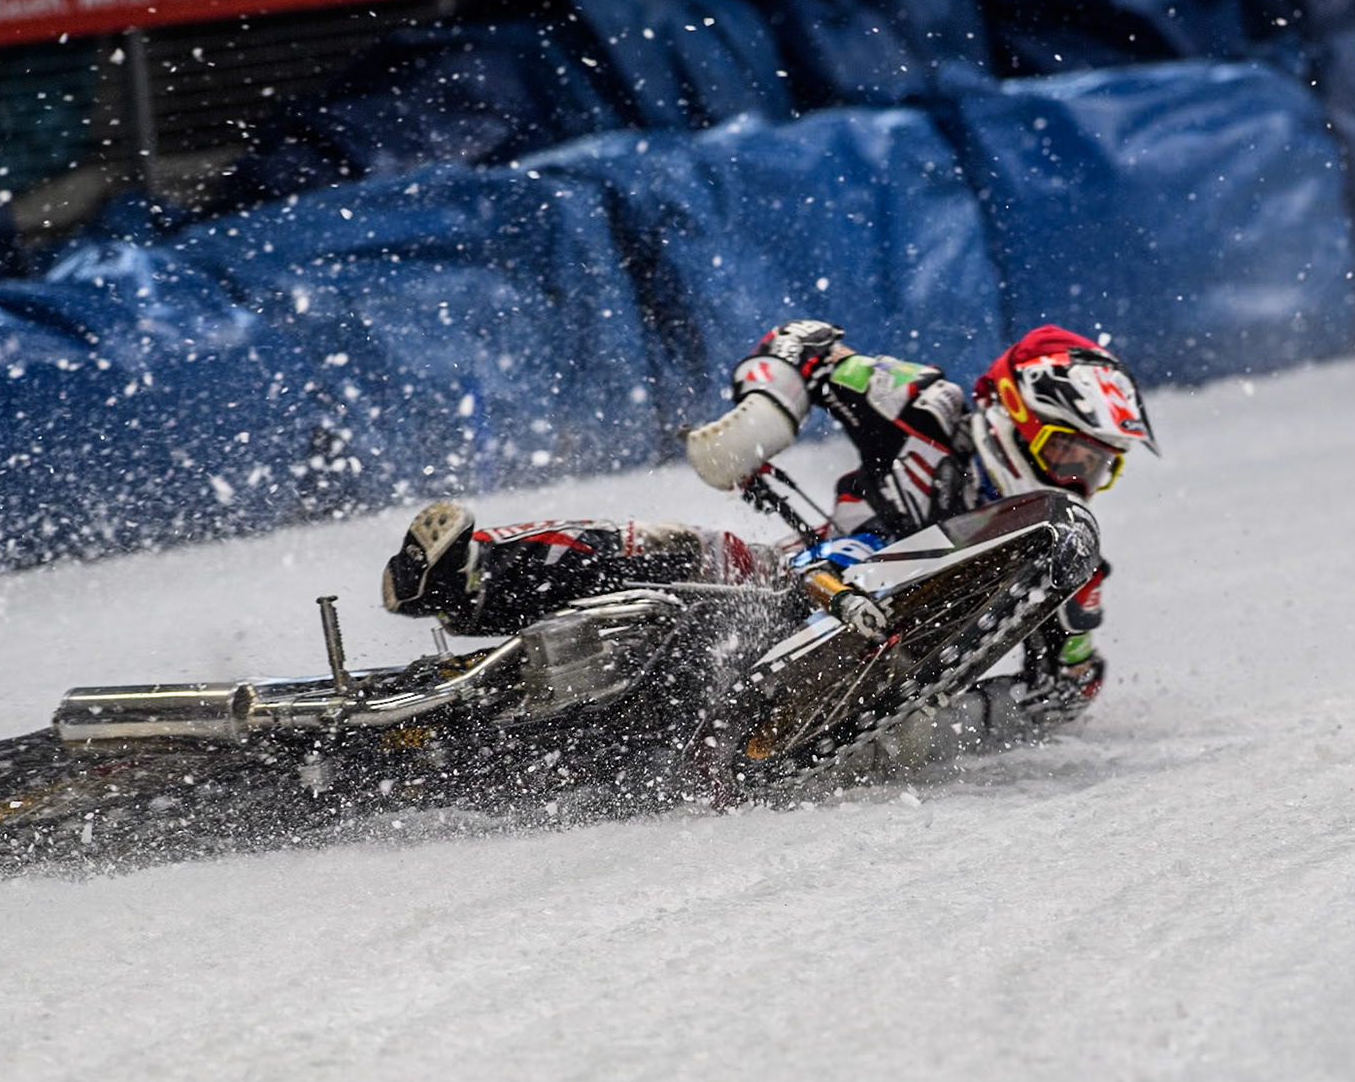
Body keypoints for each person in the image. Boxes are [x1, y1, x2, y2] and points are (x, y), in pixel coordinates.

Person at [381, 318, 1155, 761]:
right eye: (1071, 451)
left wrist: (943, 722)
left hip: (871, 677)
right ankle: (470, 577)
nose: (1080, 477)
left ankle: (760, 726)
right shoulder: (930, 408)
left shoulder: (1052, 549)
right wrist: (758, 426)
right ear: (1018, 414)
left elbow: (1066, 688)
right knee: (673, 546)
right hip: (794, 579)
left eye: (1098, 467)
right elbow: (806, 345)